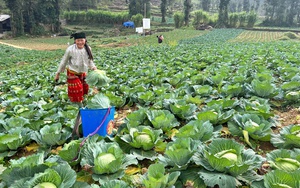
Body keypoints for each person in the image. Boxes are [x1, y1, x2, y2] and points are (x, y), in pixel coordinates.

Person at [54, 32, 97, 105]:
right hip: (73, 72)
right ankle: (76, 105)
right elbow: (63, 61)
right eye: (78, 40)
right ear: (75, 41)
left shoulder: (88, 48)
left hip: (83, 72)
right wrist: (57, 74)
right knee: (77, 89)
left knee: (85, 89)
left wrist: (94, 68)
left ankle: (83, 103)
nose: (80, 42)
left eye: (82, 40)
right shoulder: (70, 49)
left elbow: (90, 61)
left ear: (85, 40)